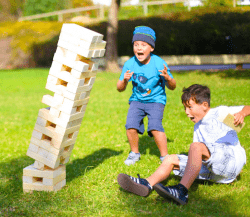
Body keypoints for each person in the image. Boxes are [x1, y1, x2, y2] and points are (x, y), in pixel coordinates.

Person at [117, 84, 249, 205]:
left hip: (230, 161)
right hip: (213, 172)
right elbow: (198, 158)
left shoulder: (219, 114)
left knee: (196, 146)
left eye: (190, 107)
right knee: (170, 159)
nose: (186, 112)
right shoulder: (198, 127)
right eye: (185, 108)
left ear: (204, 105)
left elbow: (247, 108)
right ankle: (147, 184)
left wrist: (242, 113)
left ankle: (182, 191)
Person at [117, 26, 176, 166]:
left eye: (143, 45)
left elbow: (173, 86)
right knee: (130, 126)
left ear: (152, 48)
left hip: (156, 100)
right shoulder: (129, 64)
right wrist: (124, 80)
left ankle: (164, 157)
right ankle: (134, 154)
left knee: (155, 126)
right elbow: (119, 88)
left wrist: (167, 77)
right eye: (136, 44)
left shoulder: (159, 63)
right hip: (137, 100)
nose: (139, 48)